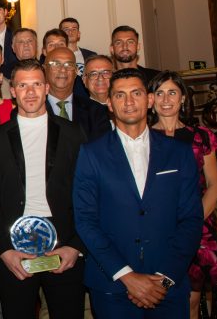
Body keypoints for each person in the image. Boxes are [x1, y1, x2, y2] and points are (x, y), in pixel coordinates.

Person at [73, 68, 203, 318]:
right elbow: (85, 220)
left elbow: (191, 219)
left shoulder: (179, 152)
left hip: (168, 285)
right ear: (110, 104)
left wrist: (163, 281)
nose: (129, 102)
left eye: (136, 93)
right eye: (120, 95)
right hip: (113, 286)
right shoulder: (91, 154)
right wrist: (127, 277)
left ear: (150, 99)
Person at [0, 59, 87, 319]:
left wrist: (75, 245)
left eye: (37, 84)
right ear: (13, 91)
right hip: (14, 246)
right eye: (23, 85)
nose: (30, 92)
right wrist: (3, 249)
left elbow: (88, 195)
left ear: (47, 88)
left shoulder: (73, 134)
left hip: (64, 244)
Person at [147, 71, 217, 318]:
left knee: (191, 300)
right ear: (151, 100)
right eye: (159, 93)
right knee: (159, 295)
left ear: (182, 98)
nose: (166, 99)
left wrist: (192, 221)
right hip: (155, 230)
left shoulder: (201, 136)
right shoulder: (142, 138)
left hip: (196, 229)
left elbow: (213, 185)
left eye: (172, 92)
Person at [45, 47, 111, 141]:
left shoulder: (95, 111)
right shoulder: (33, 109)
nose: (63, 69)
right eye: (56, 64)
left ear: (76, 71)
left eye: (69, 64)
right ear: (44, 69)